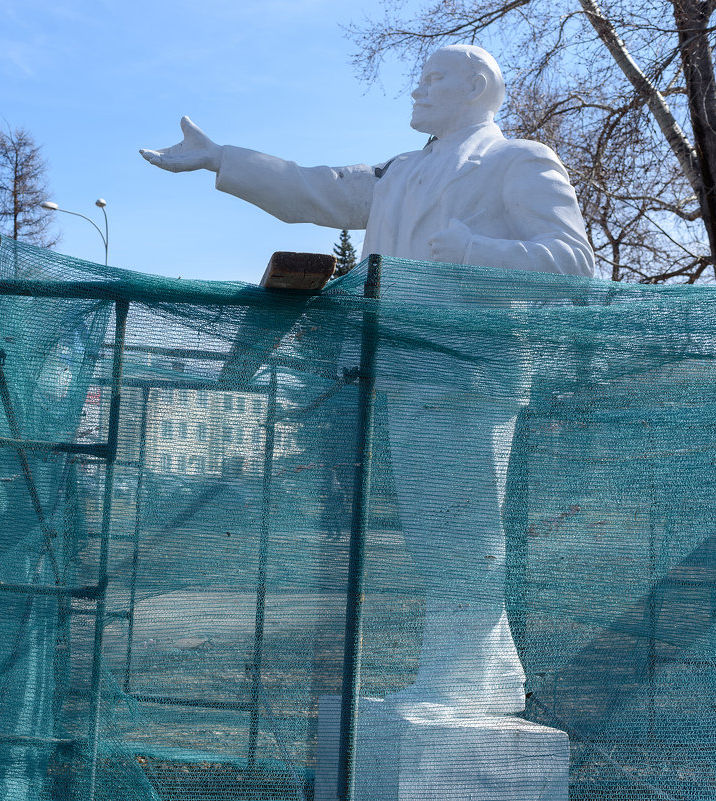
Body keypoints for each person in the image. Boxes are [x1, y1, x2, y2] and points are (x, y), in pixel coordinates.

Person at [142, 45, 596, 716]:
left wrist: (479, 253)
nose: (419, 90)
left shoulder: (517, 160)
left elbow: (572, 263)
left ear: (476, 87)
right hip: (406, 375)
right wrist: (221, 157)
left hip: (472, 375)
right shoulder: (400, 172)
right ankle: (487, 676)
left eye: (434, 78)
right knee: (434, 531)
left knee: (462, 531)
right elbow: (309, 186)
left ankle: (463, 680)